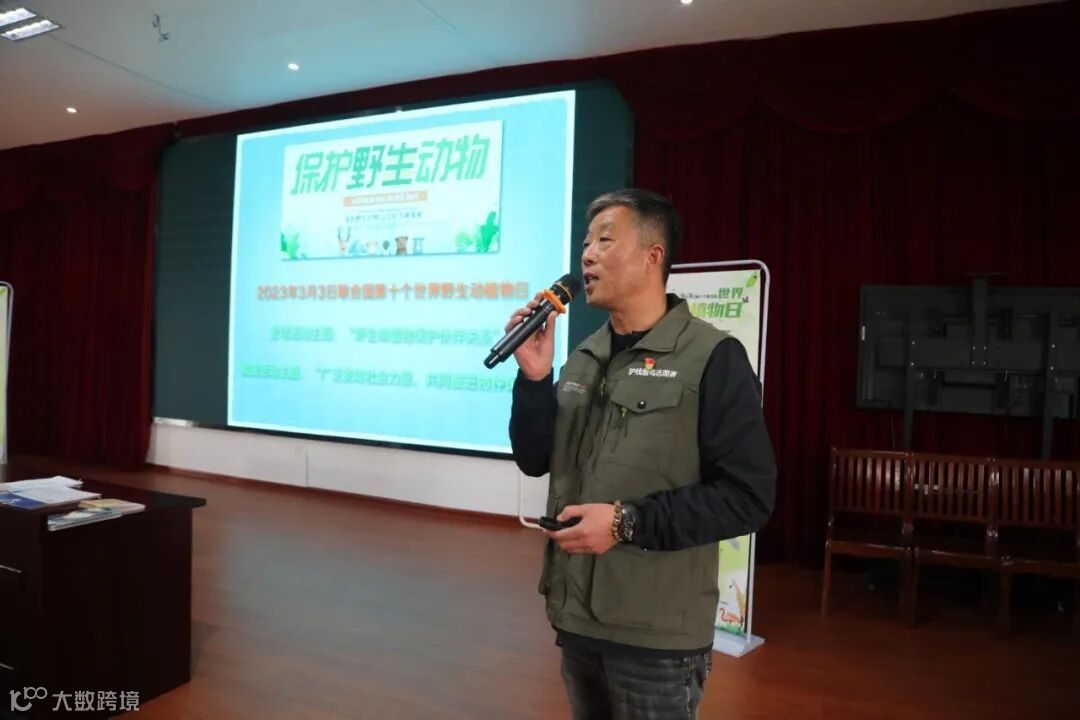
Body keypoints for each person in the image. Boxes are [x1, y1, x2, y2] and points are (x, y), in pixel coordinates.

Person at [507, 189, 777, 720]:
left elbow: (749, 497)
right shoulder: (585, 357)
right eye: (585, 243)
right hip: (576, 619)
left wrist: (626, 523)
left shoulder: (713, 358)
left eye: (605, 240)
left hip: (656, 637)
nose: (587, 255)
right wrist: (534, 379)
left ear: (653, 257)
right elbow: (535, 458)